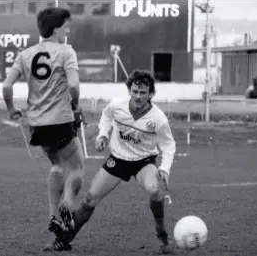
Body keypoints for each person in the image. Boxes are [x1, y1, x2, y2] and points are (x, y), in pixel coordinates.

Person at [53, 70, 176, 254]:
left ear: (151, 94)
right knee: (89, 198)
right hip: (118, 160)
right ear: (129, 90)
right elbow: (106, 116)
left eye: (143, 93)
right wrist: (103, 134)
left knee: (155, 190)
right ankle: (65, 238)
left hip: (143, 162)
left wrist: (164, 168)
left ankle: (162, 233)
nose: (138, 96)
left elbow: (168, 144)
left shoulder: (158, 118)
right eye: (135, 91)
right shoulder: (117, 105)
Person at [2, 7, 84, 251]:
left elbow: (7, 86)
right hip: (61, 120)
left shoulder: (25, 54)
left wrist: (10, 109)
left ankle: (53, 216)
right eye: (67, 26)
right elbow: (74, 84)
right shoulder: (66, 51)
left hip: (36, 124)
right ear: (56, 28)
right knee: (77, 169)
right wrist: (76, 104)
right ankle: (67, 206)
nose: (68, 30)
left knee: (57, 165)